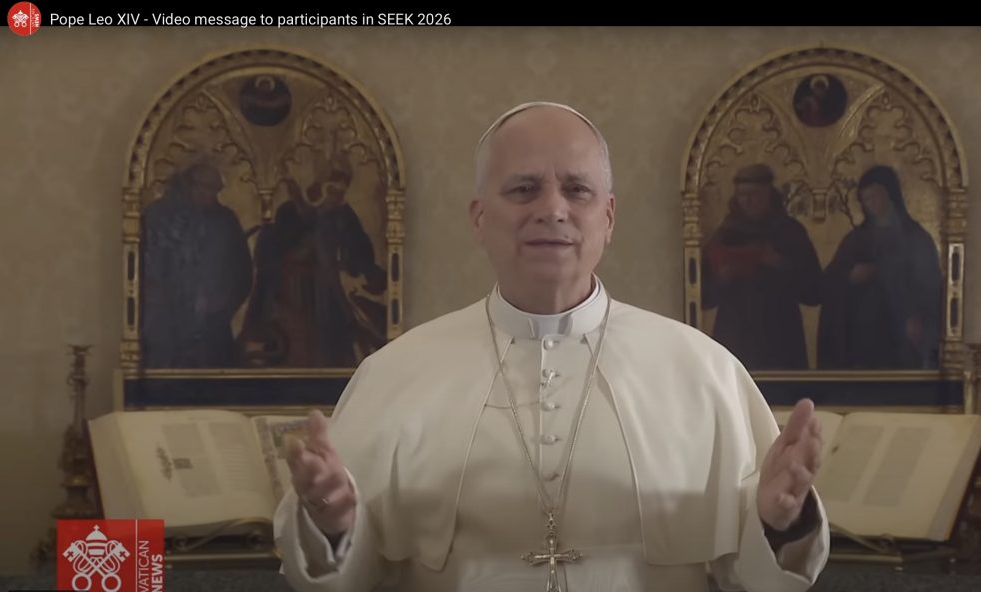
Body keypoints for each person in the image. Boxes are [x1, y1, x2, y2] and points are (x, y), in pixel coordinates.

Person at [273, 102, 829, 592]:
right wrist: (331, 524)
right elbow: (347, 577)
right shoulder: (394, 374)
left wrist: (778, 523)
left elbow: (756, 578)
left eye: (577, 189)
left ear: (607, 217)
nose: (552, 209)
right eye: (523, 189)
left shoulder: (705, 371)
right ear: (479, 218)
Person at [236, 153, 388, 368]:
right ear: (320, 186)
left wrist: (363, 269)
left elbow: (359, 253)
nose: (336, 197)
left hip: (329, 298)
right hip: (292, 296)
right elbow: (271, 255)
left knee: (331, 351)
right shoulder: (290, 211)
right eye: (332, 190)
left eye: (341, 193)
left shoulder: (344, 216)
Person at [817, 165, 943, 369]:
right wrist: (850, 276)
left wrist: (918, 317)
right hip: (863, 338)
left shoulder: (916, 238)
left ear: (890, 194)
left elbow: (930, 286)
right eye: (866, 199)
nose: (871, 203)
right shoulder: (856, 239)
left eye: (875, 196)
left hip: (900, 336)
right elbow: (829, 281)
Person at [701, 164, 823, 370]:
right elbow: (701, 296)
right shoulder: (724, 234)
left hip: (780, 332)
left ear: (769, 194)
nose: (748, 200)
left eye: (754, 194)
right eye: (742, 195)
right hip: (735, 329)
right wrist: (722, 278)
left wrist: (778, 263)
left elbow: (814, 292)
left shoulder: (790, 232)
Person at [140, 161, 253, 368]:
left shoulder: (225, 220)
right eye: (208, 189)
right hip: (167, 326)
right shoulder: (158, 214)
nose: (213, 196)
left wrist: (223, 306)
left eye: (216, 190)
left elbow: (242, 271)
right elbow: (145, 269)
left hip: (213, 326)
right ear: (190, 185)